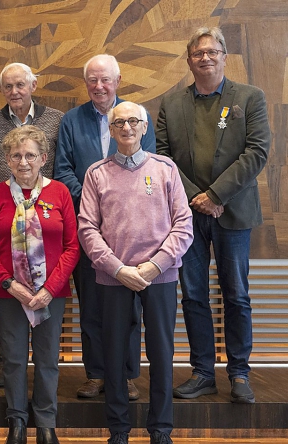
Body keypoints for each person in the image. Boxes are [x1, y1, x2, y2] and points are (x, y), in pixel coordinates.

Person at [156, 27, 271, 404]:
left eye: (212, 51)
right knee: (193, 295)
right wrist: (198, 198)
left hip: (233, 212)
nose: (205, 57)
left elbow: (257, 152)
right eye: (198, 53)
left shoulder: (250, 98)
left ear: (224, 56)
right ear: (188, 60)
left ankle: (239, 373)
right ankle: (203, 372)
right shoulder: (171, 104)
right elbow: (162, 158)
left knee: (236, 295)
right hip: (186, 215)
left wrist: (217, 195)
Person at [79, 101, 193, 444]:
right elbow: (87, 229)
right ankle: (118, 429)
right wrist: (118, 268)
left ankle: (160, 429)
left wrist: (155, 264)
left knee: (162, 354)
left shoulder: (165, 168)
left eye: (133, 121)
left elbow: (184, 225)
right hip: (114, 279)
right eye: (118, 123)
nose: (126, 127)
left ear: (144, 128)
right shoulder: (96, 173)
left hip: (160, 276)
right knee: (113, 355)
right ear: (111, 130)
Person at [54, 54, 154, 400]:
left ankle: (125, 375)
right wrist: (95, 200)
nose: (99, 86)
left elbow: (149, 168)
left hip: (131, 230)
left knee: (129, 306)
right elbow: (63, 170)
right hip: (86, 227)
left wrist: (111, 204)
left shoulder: (137, 115)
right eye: (92, 80)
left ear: (118, 79)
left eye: (105, 80)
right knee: (92, 305)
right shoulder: (71, 120)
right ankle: (96, 373)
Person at [0, 126, 79, 444]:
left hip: (52, 293)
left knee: (48, 358)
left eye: (31, 155)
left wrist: (50, 288)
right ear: (7, 159)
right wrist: (10, 284)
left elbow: (72, 246)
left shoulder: (59, 193)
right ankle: (17, 421)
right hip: (10, 294)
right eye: (17, 155)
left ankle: (46, 423)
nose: (24, 162)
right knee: (14, 358)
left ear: (43, 159)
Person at [0, 62, 64, 388]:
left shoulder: (56, 120)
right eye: (9, 86)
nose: (15, 92)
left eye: (21, 85)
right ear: (2, 90)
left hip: (46, 217)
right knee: (9, 309)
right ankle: (7, 363)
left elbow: (62, 162)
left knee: (45, 311)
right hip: (5, 217)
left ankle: (43, 399)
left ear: (33, 85)